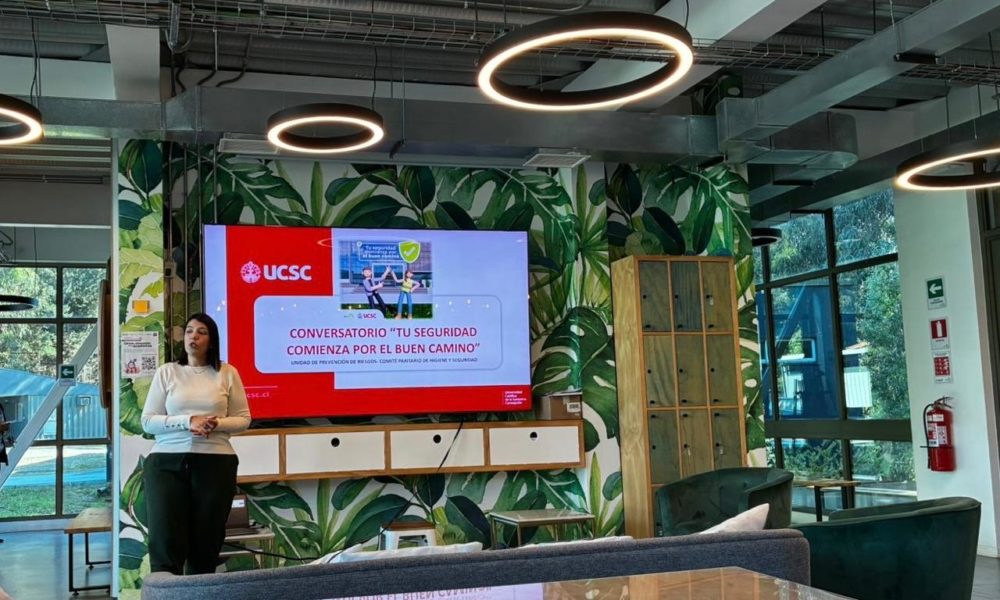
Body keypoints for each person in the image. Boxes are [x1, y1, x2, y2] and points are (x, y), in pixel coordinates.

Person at [141, 312, 251, 575]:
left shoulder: (227, 372)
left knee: (206, 542)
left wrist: (215, 423)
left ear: (211, 341)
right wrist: (188, 421)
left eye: (201, 332)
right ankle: (166, 592)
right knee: (165, 538)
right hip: (166, 461)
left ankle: (199, 591)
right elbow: (148, 421)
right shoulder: (167, 372)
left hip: (215, 461)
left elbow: (244, 419)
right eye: (189, 331)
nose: (193, 337)